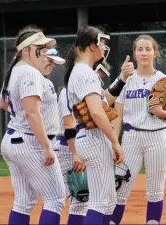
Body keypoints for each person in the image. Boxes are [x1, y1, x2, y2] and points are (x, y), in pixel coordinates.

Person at [0, 25, 65, 225]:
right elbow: (32, 112)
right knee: (55, 199)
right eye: (41, 48)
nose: (45, 52)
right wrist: (46, 146)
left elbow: (3, 103)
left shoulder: (17, 70)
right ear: (26, 50)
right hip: (30, 142)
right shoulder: (30, 73)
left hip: (14, 138)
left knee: (23, 202)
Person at [55, 56, 133, 225]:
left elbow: (105, 100)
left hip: (85, 142)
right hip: (69, 146)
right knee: (81, 202)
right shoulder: (67, 92)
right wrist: (76, 154)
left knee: (99, 201)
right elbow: (68, 124)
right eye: (99, 72)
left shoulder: (90, 90)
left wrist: (122, 79)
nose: (101, 77)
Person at [64, 25, 126, 225]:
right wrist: (115, 141)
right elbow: (98, 113)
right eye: (101, 44)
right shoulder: (84, 72)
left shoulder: (82, 71)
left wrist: (122, 79)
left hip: (91, 137)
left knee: (108, 201)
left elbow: (103, 103)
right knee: (100, 202)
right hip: (93, 137)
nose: (103, 49)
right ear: (91, 46)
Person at [109, 34, 166, 225]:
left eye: (148, 49)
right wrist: (115, 142)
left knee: (155, 191)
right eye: (140, 49)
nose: (144, 53)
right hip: (131, 138)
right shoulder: (126, 79)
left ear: (155, 53)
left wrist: (163, 113)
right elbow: (117, 114)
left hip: (158, 137)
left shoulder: (165, 80)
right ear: (134, 54)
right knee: (119, 189)